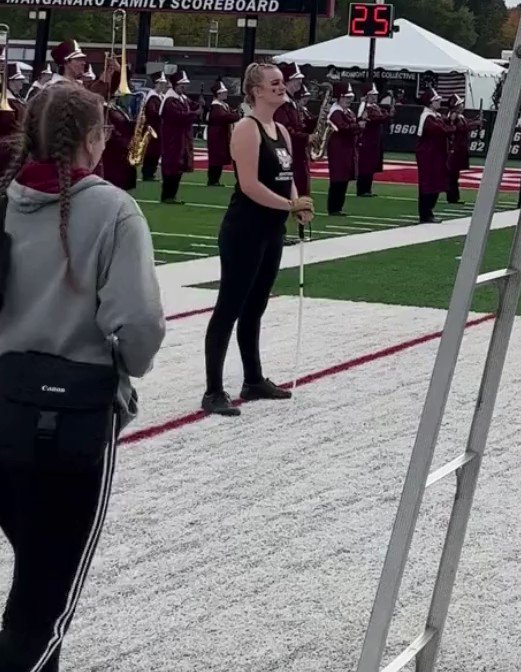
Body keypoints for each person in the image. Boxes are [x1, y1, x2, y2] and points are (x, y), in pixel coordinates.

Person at [0, 81, 165, 667]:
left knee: (30, 582)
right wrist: (127, 365)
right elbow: (140, 324)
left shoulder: (5, 199)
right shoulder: (114, 209)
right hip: (70, 422)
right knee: (46, 604)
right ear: (94, 140)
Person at [201, 63, 313, 417]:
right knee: (229, 307)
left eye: (282, 82)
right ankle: (214, 390)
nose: (282, 87)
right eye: (275, 83)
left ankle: (253, 380)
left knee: (256, 305)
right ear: (256, 91)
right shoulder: (246, 129)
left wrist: (298, 204)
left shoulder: (281, 129)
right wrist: (289, 203)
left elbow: (286, 176)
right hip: (245, 230)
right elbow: (249, 186)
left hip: (272, 229)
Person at [276, 63, 316, 200]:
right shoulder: (282, 103)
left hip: (297, 152)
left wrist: (316, 122)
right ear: (287, 81)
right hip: (288, 153)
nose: (300, 82)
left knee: (301, 188)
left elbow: (298, 125)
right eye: (296, 79)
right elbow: (284, 130)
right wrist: (306, 138)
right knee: (291, 191)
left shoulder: (291, 102)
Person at [158, 68, 197, 204]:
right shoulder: (170, 100)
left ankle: (172, 195)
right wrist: (194, 113)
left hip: (181, 138)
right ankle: (167, 195)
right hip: (172, 140)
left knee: (178, 168)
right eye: (182, 85)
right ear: (175, 85)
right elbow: (179, 116)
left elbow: (193, 106)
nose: (184, 87)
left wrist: (196, 109)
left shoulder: (182, 98)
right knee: (171, 167)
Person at [415, 88, 451, 224]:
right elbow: (439, 130)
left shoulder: (436, 116)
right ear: (430, 103)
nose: (439, 102)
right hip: (428, 156)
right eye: (436, 100)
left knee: (435, 183)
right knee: (428, 184)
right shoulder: (428, 117)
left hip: (436, 155)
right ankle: (425, 213)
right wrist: (451, 127)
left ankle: (429, 211)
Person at [324, 82, 357, 217]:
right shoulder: (336, 112)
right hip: (338, 149)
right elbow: (343, 128)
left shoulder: (346, 112)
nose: (349, 100)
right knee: (337, 179)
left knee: (343, 179)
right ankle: (333, 208)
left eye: (350, 97)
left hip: (346, 149)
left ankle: (338, 207)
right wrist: (357, 126)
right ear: (339, 98)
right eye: (346, 97)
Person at [355, 90, 393, 198]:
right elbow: (372, 119)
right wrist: (385, 115)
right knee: (365, 165)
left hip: (375, 140)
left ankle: (368, 188)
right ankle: (362, 189)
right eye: (372, 95)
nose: (374, 97)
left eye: (376, 95)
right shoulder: (365, 107)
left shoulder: (375, 107)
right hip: (366, 140)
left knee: (371, 165)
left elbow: (382, 116)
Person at [443, 95, 479, 205]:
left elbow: (467, 124)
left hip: (459, 149)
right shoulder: (454, 117)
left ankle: (454, 196)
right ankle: (452, 197)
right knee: (452, 174)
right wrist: (476, 123)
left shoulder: (460, 116)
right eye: (460, 104)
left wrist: (476, 122)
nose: (462, 105)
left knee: (455, 174)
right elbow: (462, 128)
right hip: (454, 149)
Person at [205, 82, 236, 188]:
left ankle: (216, 179)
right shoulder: (216, 106)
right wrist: (236, 116)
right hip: (216, 135)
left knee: (219, 157)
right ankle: (212, 180)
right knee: (216, 157)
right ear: (218, 94)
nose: (225, 94)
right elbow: (224, 117)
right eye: (223, 92)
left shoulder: (224, 105)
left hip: (222, 134)